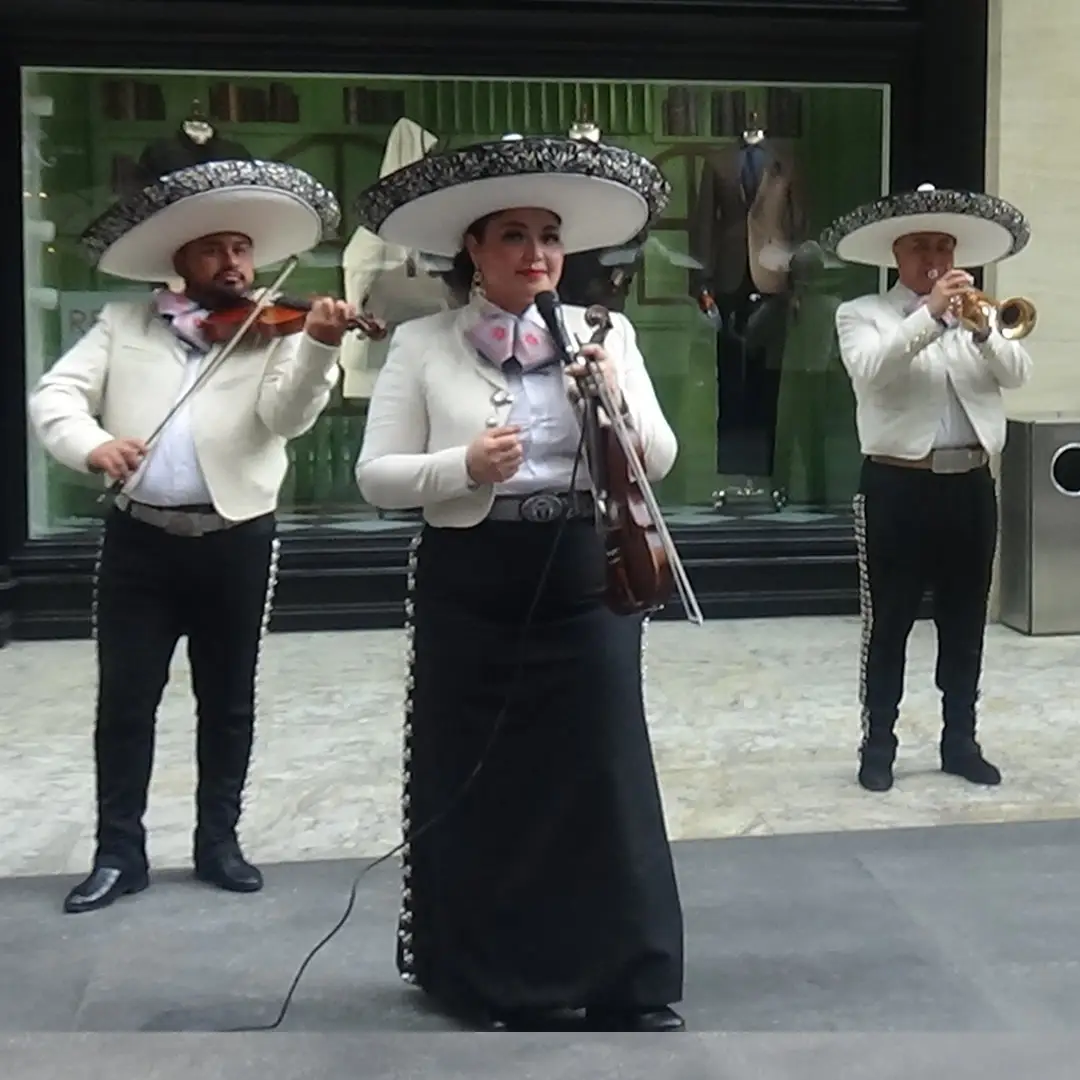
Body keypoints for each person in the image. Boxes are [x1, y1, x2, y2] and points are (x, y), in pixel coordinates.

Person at [352, 134, 686, 1032]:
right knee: (485, 775)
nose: (536, 253)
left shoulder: (605, 335)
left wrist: (612, 400)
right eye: (512, 235)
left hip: (584, 571)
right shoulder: (423, 344)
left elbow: (660, 460)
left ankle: (627, 976)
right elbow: (376, 475)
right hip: (474, 573)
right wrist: (460, 465)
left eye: (548, 235)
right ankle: (494, 979)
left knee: (603, 769)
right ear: (475, 249)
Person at [28, 155, 352, 912]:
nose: (232, 263)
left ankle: (219, 842)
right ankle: (119, 853)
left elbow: (286, 420)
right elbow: (57, 396)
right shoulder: (121, 323)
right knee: (127, 699)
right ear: (179, 261)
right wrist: (93, 445)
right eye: (213, 250)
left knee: (228, 696)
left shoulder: (276, 332)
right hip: (140, 538)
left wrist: (322, 347)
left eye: (241, 249)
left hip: (236, 534)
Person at [821, 183, 1033, 793]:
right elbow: (874, 369)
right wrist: (930, 314)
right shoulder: (862, 314)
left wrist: (985, 331)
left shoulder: (982, 315)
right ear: (896, 255)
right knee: (887, 624)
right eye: (921, 248)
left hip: (970, 485)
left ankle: (960, 741)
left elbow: (1018, 375)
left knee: (965, 623)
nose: (935, 258)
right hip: (897, 487)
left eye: (944, 246)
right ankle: (878, 745)